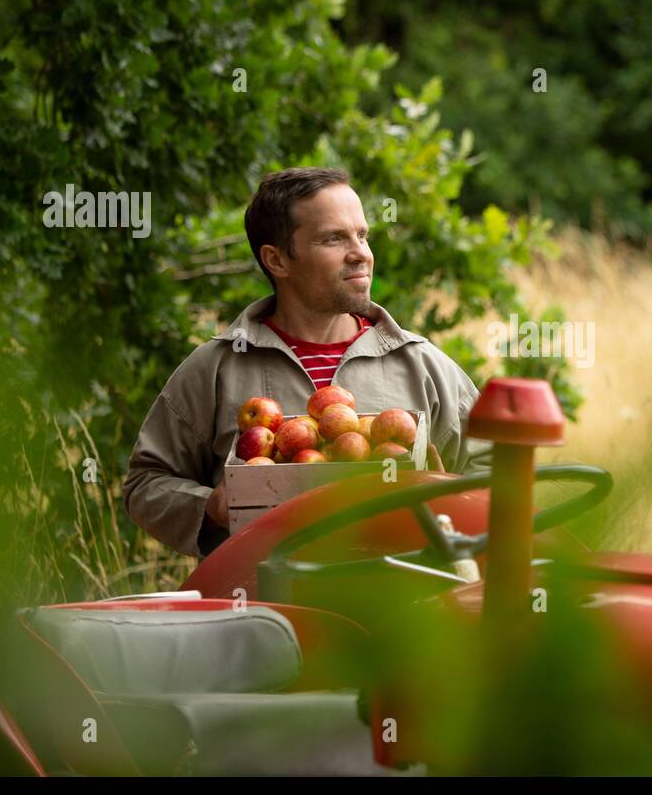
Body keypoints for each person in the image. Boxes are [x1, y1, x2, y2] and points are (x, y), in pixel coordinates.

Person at [123, 166, 491, 558]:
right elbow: (146, 484)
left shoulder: (423, 365)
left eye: (362, 235)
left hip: (400, 591)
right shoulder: (216, 369)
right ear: (277, 260)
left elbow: (498, 479)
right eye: (333, 238)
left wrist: (444, 495)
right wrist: (210, 507)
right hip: (264, 594)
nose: (361, 254)